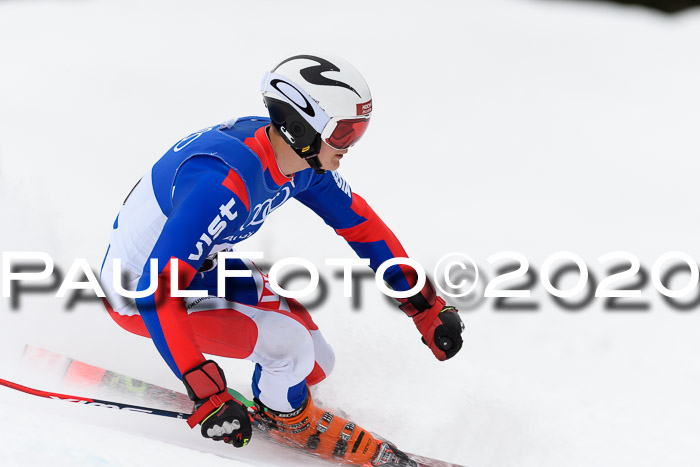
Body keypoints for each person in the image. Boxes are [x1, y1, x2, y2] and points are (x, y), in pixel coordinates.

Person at [99, 53, 464, 466]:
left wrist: (424, 305)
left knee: (317, 359)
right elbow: (156, 288)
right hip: (137, 293)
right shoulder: (223, 184)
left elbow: (362, 226)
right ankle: (286, 418)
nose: (350, 146)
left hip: (194, 272)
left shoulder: (299, 162)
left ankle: (283, 403)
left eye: (358, 132)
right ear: (301, 126)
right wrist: (206, 392)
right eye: (343, 133)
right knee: (288, 347)